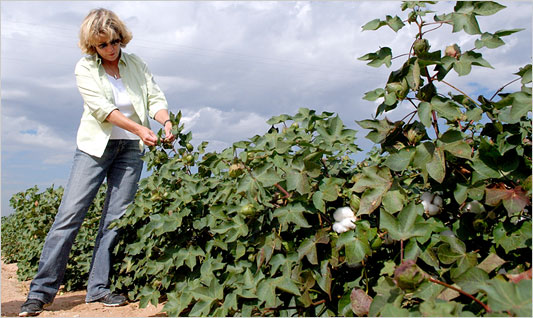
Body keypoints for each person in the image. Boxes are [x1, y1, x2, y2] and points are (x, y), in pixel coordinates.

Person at [19, 8, 174, 317]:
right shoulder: (85, 68)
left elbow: (155, 98)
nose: (111, 49)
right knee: (69, 216)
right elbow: (101, 108)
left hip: (130, 150)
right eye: (103, 45)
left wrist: (166, 123)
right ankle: (41, 293)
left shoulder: (137, 64)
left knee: (114, 219)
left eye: (115, 42)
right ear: (93, 45)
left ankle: (98, 289)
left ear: (121, 38)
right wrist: (140, 129)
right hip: (94, 148)